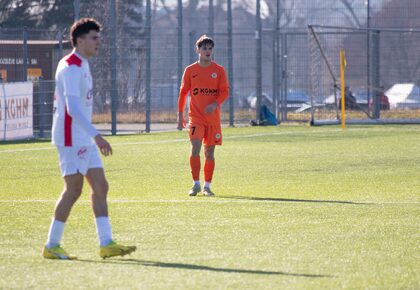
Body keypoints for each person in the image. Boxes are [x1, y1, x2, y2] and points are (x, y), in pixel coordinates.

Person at [43, 18, 136, 260]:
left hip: (83, 137)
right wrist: (98, 136)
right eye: (94, 38)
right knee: (73, 190)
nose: (98, 42)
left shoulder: (83, 64)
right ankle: (51, 245)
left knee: (101, 186)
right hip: (71, 138)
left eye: (99, 37)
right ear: (79, 39)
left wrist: (92, 136)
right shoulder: (70, 66)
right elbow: (72, 109)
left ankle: (106, 243)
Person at [177, 35, 229, 197]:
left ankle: (207, 186)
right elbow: (183, 92)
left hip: (213, 119)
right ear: (197, 50)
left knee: (209, 153)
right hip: (196, 118)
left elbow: (225, 91)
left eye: (210, 48)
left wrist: (215, 104)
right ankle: (195, 184)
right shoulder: (190, 70)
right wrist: (180, 115)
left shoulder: (219, 70)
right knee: (195, 149)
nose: (207, 51)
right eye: (204, 48)